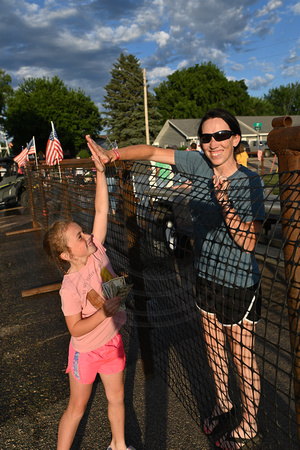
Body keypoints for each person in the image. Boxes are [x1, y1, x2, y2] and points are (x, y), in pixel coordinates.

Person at [86, 108, 265, 450]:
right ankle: (224, 404)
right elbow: (152, 152)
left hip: (240, 283)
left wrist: (224, 201)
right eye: (207, 137)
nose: (214, 143)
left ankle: (250, 423)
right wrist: (114, 155)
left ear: (236, 139)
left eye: (221, 136)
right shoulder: (198, 163)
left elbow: (249, 241)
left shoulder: (250, 182)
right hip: (205, 278)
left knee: (242, 356)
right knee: (213, 350)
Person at [43, 146, 135, 450]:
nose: (88, 238)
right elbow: (75, 329)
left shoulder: (96, 250)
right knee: (77, 408)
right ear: (66, 255)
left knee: (117, 397)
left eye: (84, 232)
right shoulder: (69, 287)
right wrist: (104, 313)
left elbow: (100, 211)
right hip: (86, 352)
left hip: (112, 343)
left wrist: (100, 173)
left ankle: (119, 445)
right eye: (80, 238)